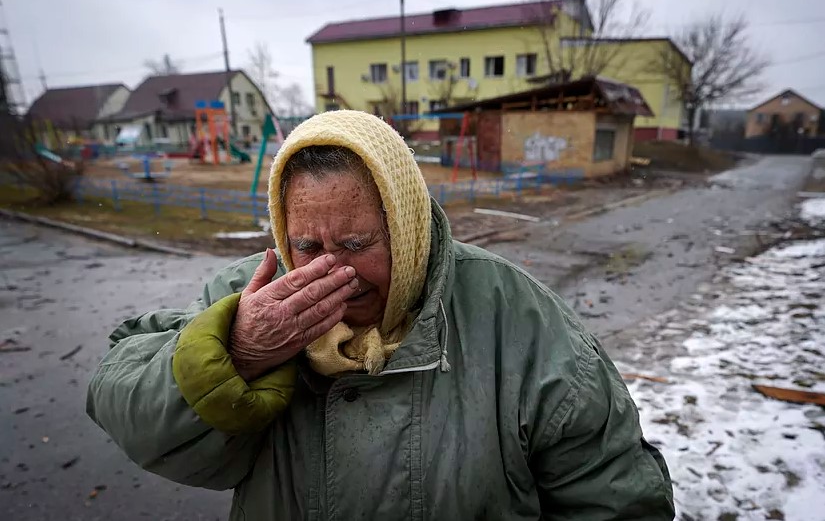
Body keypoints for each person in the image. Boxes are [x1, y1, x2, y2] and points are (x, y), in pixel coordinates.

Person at [87, 110, 674, 520]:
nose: (332, 273)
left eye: (358, 243)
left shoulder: (516, 316)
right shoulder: (252, 295)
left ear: (409, 231)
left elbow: (612, 497)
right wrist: (236, 353)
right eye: (309, 248)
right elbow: (123, 399)